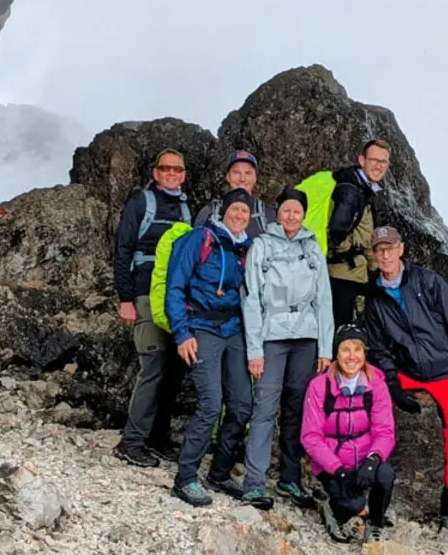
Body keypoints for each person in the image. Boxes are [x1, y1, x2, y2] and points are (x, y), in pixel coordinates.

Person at [362, 226, 448, 539]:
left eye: (390, 247)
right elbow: (380, 350)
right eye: (379, 249)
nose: (385, 254)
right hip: (408, 372)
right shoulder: (374, 299)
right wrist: (393, 384)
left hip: (446, 372)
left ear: (401, 249)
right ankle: (373, 500)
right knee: (373, 400)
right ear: (374, 255)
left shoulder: (429, 281)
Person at [241, 186, 336, 510]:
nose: (291, 216)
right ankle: (254, 483)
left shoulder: (312, 248)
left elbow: (324, 299)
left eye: (297, 211)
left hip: (306, 338)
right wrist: (254, 350)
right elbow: (251, 298)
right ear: (277, 213)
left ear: (304, 214)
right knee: (265, 406)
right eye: (286, 210)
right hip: (272, 336)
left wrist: (326, 348)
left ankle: (289, 479)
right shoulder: (262, 246)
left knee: (297, 409)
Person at [162, 190, 255, 506]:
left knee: (242, 405)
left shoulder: (245, 248)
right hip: (201, 328)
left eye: (245, 211)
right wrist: (181, 333)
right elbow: (175, 286)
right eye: (235, 209)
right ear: (225, 211)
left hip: (234, 329)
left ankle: (219, 473)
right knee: (211, 403)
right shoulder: (200, 239)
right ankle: (185, 477)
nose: (240, 215)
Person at [112, 149, 193, 468]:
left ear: (184, 175)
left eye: (177, 169)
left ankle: (157, 438)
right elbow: (123, 249)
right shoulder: (141, 203)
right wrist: (125, 299)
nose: (172, 173)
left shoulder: (186, 208)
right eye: (165, 169)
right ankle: (131, 441)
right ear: (156, 173)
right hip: (145, 294)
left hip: (174, 299)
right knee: (155, 366)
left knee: (174, 370)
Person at [301, 325, 396, 544]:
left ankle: (376, 523)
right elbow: (311, 436)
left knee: (385, 476)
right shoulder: (319, 386)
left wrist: (373, 460)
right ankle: (334, 510)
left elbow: (385, 431)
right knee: (351, 505)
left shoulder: (377, 385)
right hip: (333, 463)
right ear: (336, 353)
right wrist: (337, 469)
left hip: (365, 457)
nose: (351, 356)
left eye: (357, 349)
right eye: (345, 349)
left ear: (365, 354)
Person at [326, 140, 391, 326]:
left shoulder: (365, 189)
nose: (378, 166)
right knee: (341, 331)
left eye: (383, 162)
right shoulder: (350, 190)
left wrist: (374, 268)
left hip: (353, 271)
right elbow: (337, 234)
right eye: (374, 160)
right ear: (362, 160)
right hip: (342, 274)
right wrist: (354, 255)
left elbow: (366, 232)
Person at [193, 150, 276, 236]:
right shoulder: (209, 212)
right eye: (236, 172)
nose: (242, 179)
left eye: (248, 173)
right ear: (228, 177)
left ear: (255, 178)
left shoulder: (268, 214)